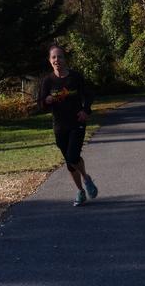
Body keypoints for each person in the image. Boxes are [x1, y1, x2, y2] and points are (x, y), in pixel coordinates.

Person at [37, 44, 98, 207]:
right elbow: (41, 105)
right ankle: (80, 191)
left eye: (60, 57)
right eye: (54, 57)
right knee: (70, 162)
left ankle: (86, 179)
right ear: (50, 60)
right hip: (59, 126)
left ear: (65, 59)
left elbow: (89, 95)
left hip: (77, 122)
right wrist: (46, 101)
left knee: (72, 156)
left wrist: (86, 110)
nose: (57, 60)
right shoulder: (48, 81)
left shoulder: (75, 77)